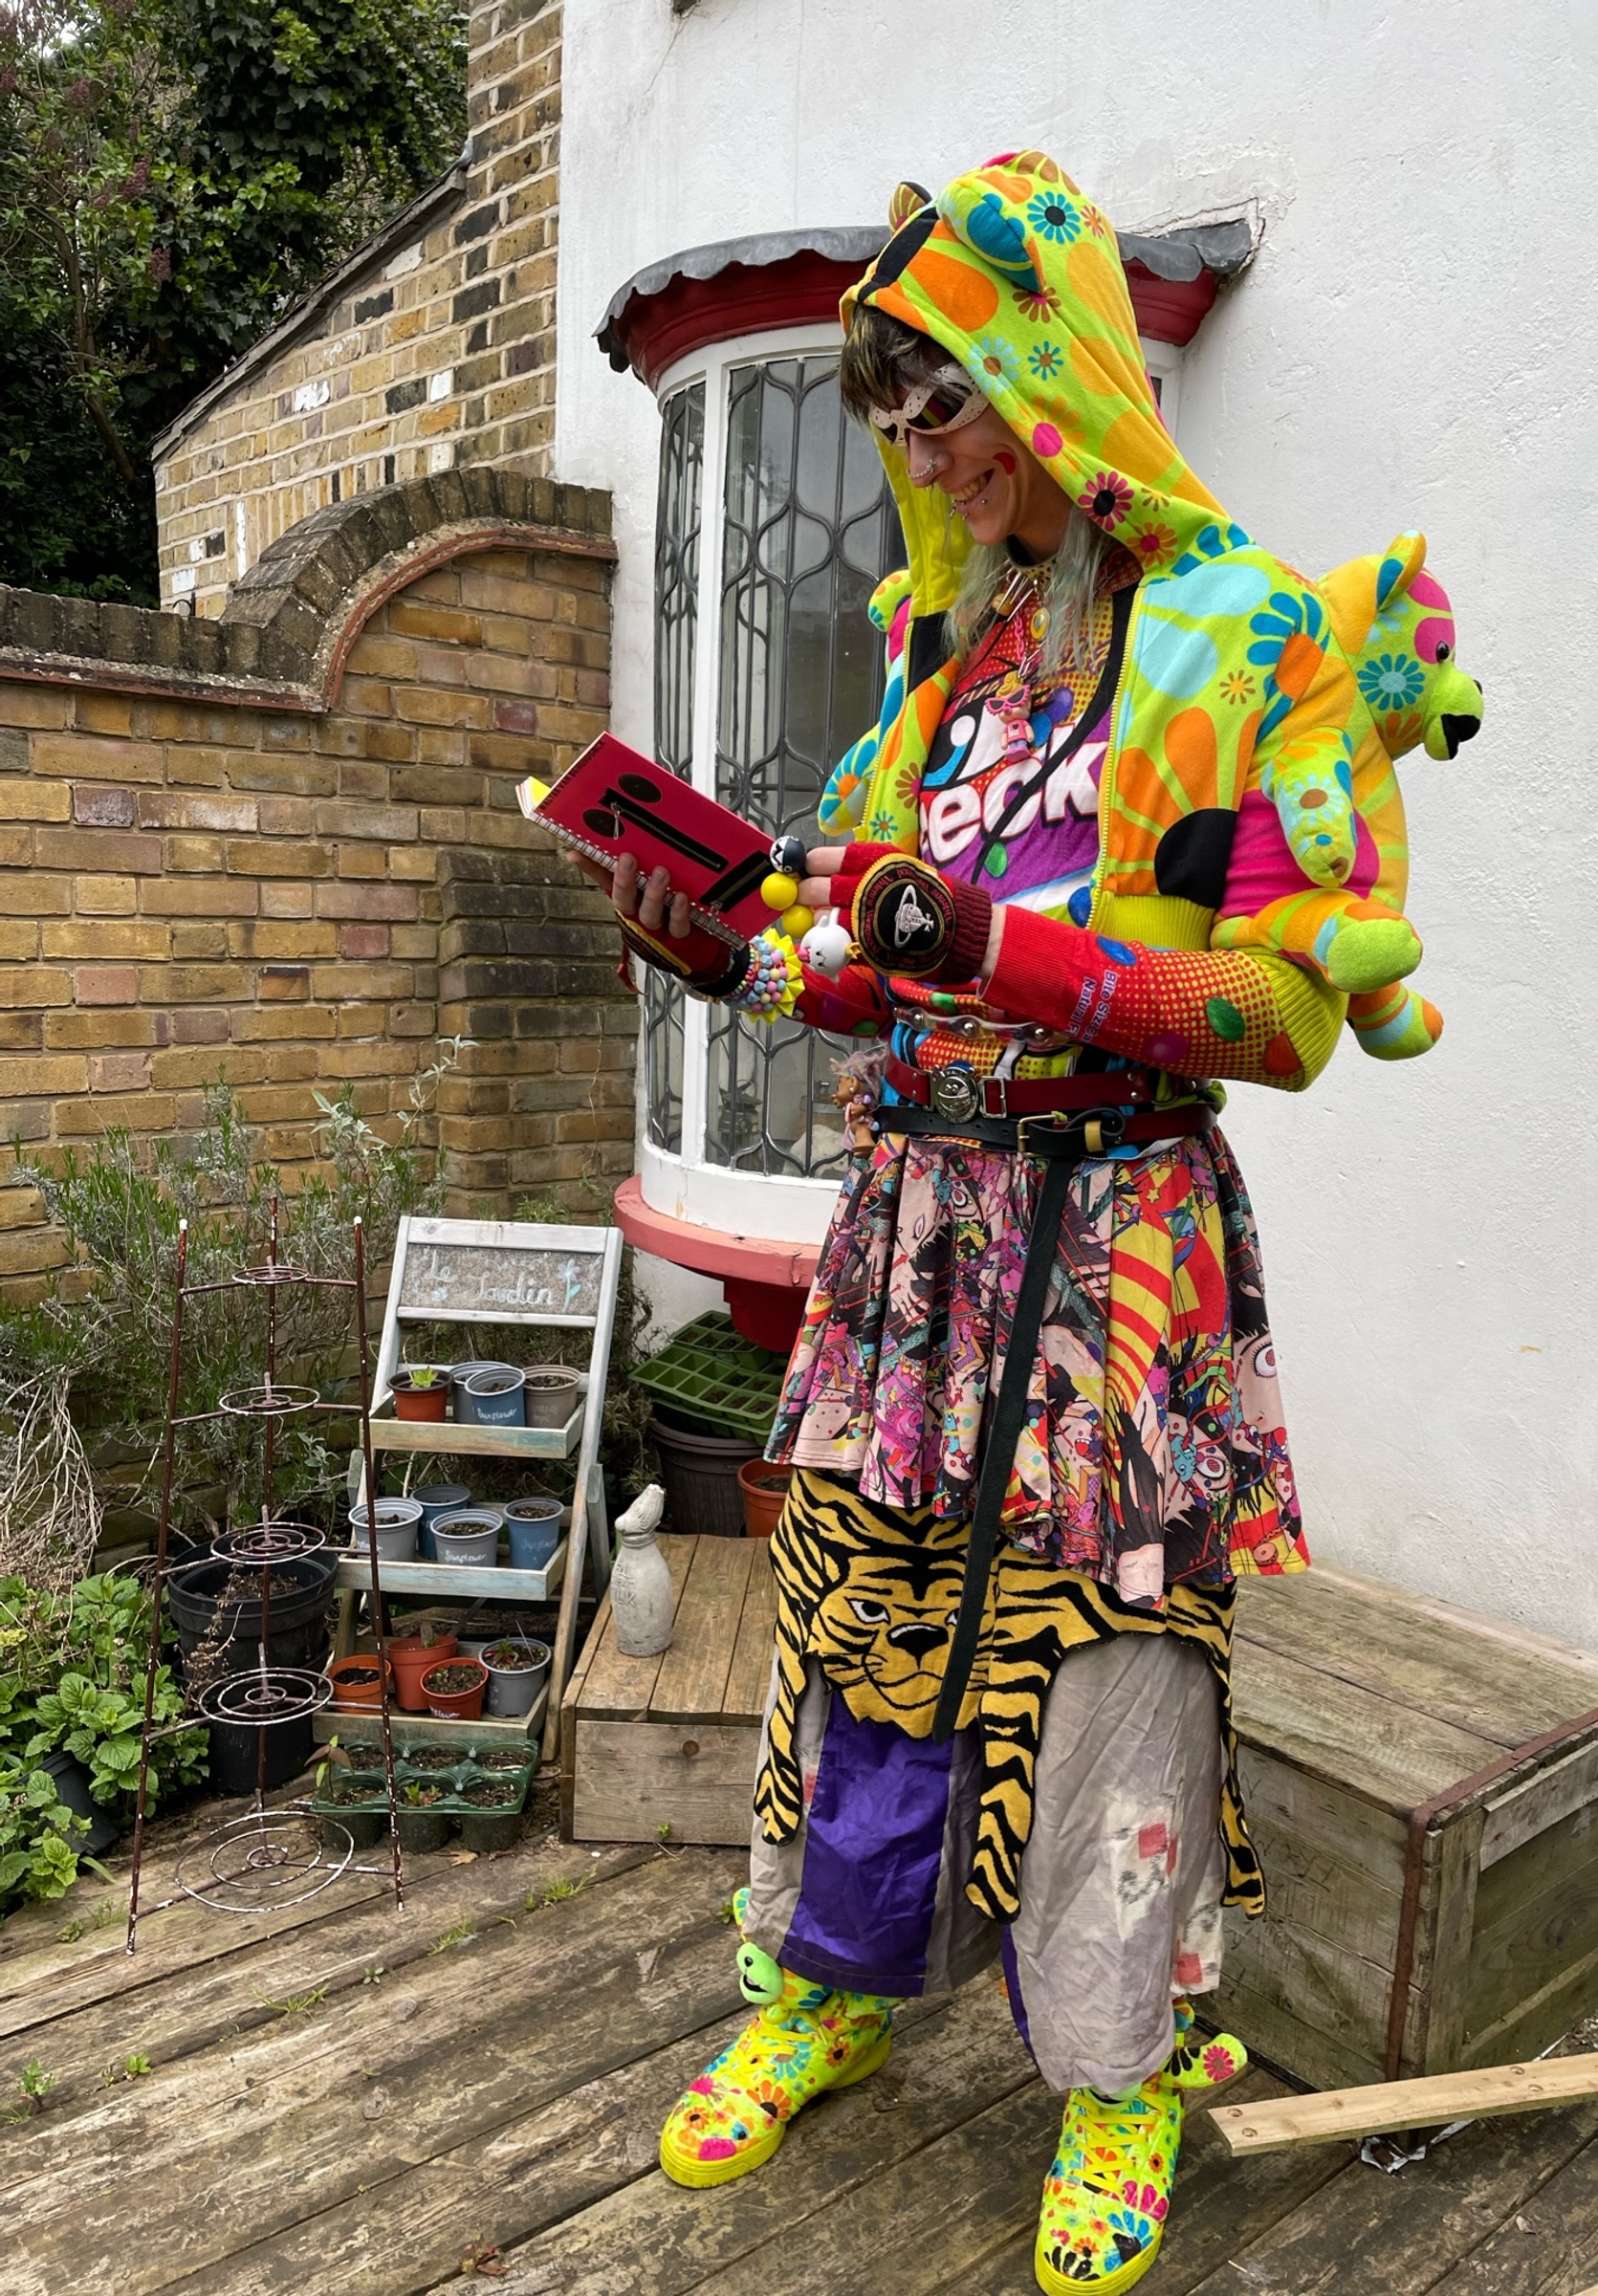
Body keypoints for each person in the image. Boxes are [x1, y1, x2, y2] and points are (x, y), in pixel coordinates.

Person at [601, 153, 1384, 2294]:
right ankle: (840, 1980)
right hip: (918, 1238)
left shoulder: (1251, 641)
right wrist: (717, 950)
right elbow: (853, 949)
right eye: (886, 406)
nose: (911, 448)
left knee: (1115, 1670)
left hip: (1119, 1248)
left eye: (936, 398)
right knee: (859, 1635)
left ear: (1049, 379)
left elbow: (1290, 1004)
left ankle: (1123, 2069)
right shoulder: (945, 699)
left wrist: (1013, 958)